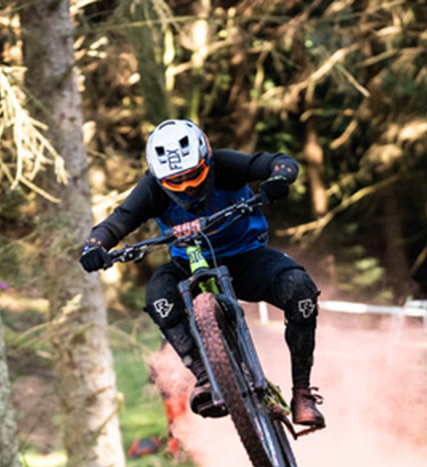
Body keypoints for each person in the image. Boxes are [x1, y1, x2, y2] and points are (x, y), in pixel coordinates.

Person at [79, 119, 325, 428]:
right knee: (158, 297)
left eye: (194, 175)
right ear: (159, 177)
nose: (186, 186)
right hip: (189, 262)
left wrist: (278, 179)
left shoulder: (225, 164)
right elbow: (117, 222)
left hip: (247, 257)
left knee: (300, 289)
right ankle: (205, 378)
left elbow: (278, 161)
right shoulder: (152, 187)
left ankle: (302, 392)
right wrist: (93, 247)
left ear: (207, 159)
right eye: (174, 181)